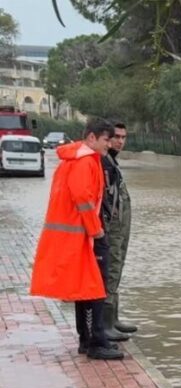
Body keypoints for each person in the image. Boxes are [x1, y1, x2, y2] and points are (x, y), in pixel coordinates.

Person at [29, 118, 123, 360]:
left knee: (85, 287)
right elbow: (83, 198)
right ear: (91, 137)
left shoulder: (74, 159)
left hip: (76, 235)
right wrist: (96, 231)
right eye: (105, 140)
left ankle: (87, 339)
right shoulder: (85, 162)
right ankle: (95, 341)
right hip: (85, 234)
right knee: (95, 289)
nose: (109, 145)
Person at [102, 121, 138, 338]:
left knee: (118, 264)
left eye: (124, 137)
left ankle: (113, 318)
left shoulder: (111, 162)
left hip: (120, 228)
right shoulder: (102, 163)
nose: (120, 141)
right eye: (116, 137)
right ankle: (106, 324)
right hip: (111, 229)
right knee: (111, 267)